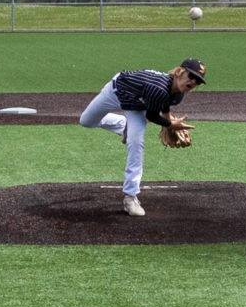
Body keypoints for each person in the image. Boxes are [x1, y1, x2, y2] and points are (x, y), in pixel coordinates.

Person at [78, 57, 205, 217]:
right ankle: (123, 124)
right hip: (116, 91)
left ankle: (130, 197)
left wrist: (168, 118)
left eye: (197, 81)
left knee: (136, 142)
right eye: (191, 76)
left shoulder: (179, 94)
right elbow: (152, 115)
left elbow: (165, 102)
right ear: (179, 72)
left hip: (137, 107)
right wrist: (170, 124)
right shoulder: (157, 87)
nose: (193, 82)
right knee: (86, 121)